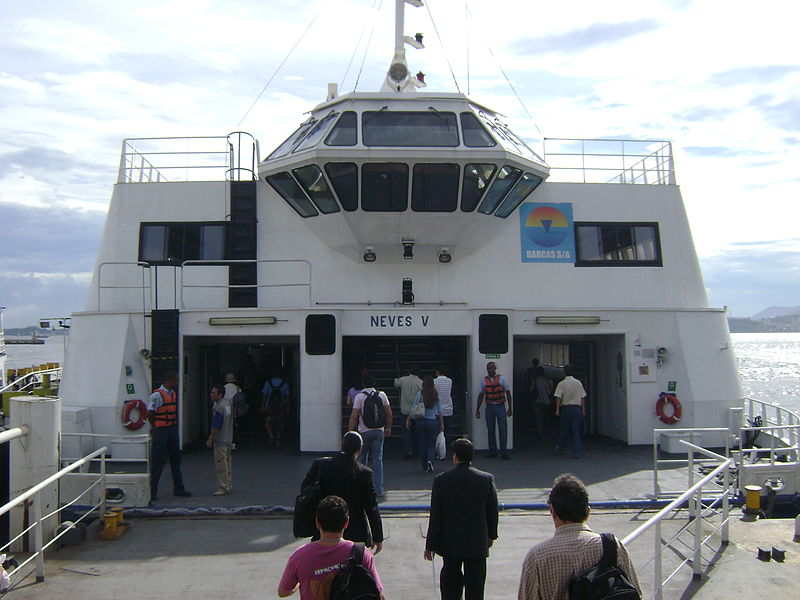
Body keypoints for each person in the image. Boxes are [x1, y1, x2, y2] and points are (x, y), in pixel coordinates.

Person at [518, 473, 640, 599]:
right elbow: (635, 592)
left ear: (553, 511)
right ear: (587, 511)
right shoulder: (612, 546)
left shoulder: (537, 556)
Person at [425, 438, 499, 600]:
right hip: (476, 543)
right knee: (476, 590)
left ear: (455, 456)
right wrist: (491, 535)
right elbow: (492, 511)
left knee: (451, 589)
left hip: (451, 543)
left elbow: (436, 515)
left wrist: (430, 545)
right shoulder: (486, 479)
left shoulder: (442, 480)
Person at [279, 495, 385, 600]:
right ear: (346, 522)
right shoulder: (360, 553)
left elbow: (283, 591)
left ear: (317, 523)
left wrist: (298, 585)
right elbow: (378, 593)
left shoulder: (300, 556)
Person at [302, 432, 385, 550]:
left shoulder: (321, 466)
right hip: (355, 534)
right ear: (359, 450)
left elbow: (305, 491)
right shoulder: (364, 473)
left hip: (325, 529)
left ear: (342, 446)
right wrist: (378, 537)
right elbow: (371, 508)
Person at [147, 371, 191, 500]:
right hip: (161, 430)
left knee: (176, 459)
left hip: (171, 429)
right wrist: (155, 426)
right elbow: (150, 412)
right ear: (170, 381)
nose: (177, 384)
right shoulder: (157, 395)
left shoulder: (172, 394)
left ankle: (179, 488)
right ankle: (153, 490)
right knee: (158, 460)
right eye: (176, 381)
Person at [349, 373, 393, 497]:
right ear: (374, 383)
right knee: (378, 460)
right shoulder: (382, 395)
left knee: (362, 460)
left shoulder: (359, 397)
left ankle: (362, 488)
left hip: (364, 431)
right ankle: (379, 489)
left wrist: (350, 432)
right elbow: (389, 414)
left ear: (363, 384)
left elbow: (354, 417)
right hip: (379, 431)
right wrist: (388, 428)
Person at [474, 362, 513, 459]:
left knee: (503, 429)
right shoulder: (484, 381)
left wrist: (510, 407)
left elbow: (508, 393)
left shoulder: (501, 379)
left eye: (491, 368)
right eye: (488, 368)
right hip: (489, 407)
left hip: (500, 406)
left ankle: (503, 452)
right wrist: (477, 409)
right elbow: (481, 395)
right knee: (490, 430)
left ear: (495, 368)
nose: (490, 369)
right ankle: (493, 451)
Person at [407, 374, 444, 473]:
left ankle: (424, 466)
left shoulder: (420, 394)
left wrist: (409, 419)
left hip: (421, 421)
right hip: (432, 421)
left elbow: (414, 407)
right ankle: (430, 460)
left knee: (422, 444)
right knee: (431, 444)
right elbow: (440, 411)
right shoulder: (435, 394)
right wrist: (441, 423)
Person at [554, 364, 587, 458]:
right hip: (576, 409)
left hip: (566, 408)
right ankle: (577, 451)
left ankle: (561, 448)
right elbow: (582, 397)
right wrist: (583, 409)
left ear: (564, 372)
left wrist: (557, 409)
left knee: (565, 429)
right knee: (576, 431)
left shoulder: (561, 383)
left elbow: (558, 397)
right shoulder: (578, 383)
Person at [206, 383, 233, 495]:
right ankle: (228, 483)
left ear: (220, 395)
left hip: (221, 439)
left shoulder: (219, 407)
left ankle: (223, 486)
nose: (211, 395)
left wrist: (210, 438)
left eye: (213, 393)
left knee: (220, 463)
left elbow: (216, 425)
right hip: (228, 437)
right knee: (227, 462)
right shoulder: (228, 403)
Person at [394, 366, 422, 459]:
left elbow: (395, 383)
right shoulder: (420, 382)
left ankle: (408, 451)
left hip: (404, 410)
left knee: (406, 432)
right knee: (416, 432)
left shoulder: (403, 380)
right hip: (416, 411)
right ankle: (417, 450)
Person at [261, 367, 290, 447]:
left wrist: (262, 406)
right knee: (279, 423)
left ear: (273, 373)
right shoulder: (285, 384)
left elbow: (264, 395)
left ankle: (271, 435)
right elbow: (287, 397)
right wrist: (288, 407)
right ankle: (278, 441)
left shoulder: (268, 383)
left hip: (269, 406)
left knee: (268, 421)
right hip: (280, 407)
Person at [434, 367, 454, 457]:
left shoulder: (435, 381)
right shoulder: (449, 381)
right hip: (448, 408)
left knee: (438, 431)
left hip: (438, 409)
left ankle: (439, 450)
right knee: (447, 431)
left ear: (438, 372)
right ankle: (448, 450)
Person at [532, 366, 552, 439]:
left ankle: (540, 432)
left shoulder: (535, 380)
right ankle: (544, 431)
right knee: (543, 417)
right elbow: (549, 392)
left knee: (538, 418)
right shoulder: (546, 380)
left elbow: (531, 389)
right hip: (546, 401)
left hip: (537, 401)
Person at [224, 372, 242, 450]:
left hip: (225, 408)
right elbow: (241, 399)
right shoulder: (237, 388)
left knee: (225, 426)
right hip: (234, 409)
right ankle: (233, 443)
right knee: (234, 426)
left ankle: (226, 442)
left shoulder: (223, 388)